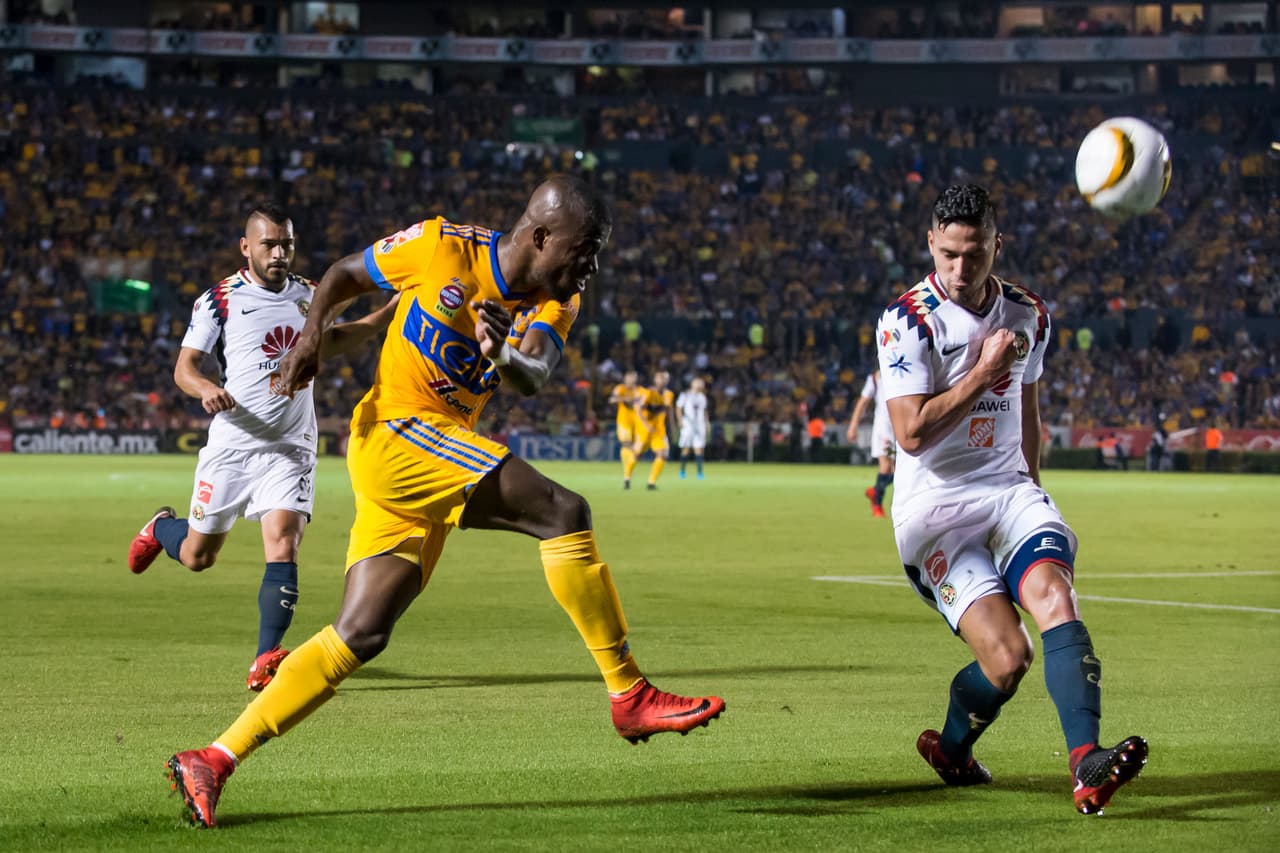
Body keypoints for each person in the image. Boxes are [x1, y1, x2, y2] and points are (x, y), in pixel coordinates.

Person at [164, 177, 725, 828]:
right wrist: (314, 336)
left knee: (361, 633)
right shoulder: (441, 245)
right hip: (397, 431)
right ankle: (629, 691)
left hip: (429, 451)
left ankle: (213, 757)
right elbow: (346, 274)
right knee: (563, 512)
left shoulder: (557, 298)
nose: (591, 265)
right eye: (585, 248)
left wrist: (504, 352)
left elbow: (534, 373)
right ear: (541, 235)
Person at [875, 184, 1146, 817]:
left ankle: (1086, 763)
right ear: (931, 245)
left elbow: (1026, 406)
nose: (961, 271)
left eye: (974, 255)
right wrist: (980, 373)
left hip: (1008, 490)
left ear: (997, 245)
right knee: (1008, 659)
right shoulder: (907, 321)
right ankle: (950, 750)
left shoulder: (1029, 314)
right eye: (948, 256)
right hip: (936, 514)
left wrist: (1034, 487)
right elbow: (910, 433)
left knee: (1054, 592)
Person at [126, 203, 398, 691]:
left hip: (291, 446)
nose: (279, 253)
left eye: (287, 244)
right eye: (269, 244)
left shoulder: (312, 295)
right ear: (246, 247)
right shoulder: (219, 301)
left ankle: (265, 657)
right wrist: (205, 387)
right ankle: (161, 527)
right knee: (196, 556)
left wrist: (383, 318)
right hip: (233, 446)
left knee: (284, 542)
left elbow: (326, 342)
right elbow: (185, 367)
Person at [845, 368, 895, 518]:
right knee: (886, 467)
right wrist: (853, 425)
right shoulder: (875, 378)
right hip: (884, 430)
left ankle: (875, 491)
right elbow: (863, 402)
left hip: (899, 428)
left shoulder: (903, 372)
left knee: (898, 472)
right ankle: (877, 505)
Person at [625, 370, 674, 491]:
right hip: (644, 431)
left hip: (659, 431)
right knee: (637, 455)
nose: (662, 380)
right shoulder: (649, 393)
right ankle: (627, 478)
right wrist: (647, 425)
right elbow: (639, 410)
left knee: (662, 455)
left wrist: (673, 426)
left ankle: (651, 482)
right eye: (659, 378)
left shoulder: (669, 394)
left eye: (664, 378)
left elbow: (669, 411)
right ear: (655, 380)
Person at [609, 370, 642, 487]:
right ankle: (626, 475)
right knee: (627, 444)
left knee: (637, 453)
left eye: (633, 378)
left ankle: (627, 477)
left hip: (638, 424)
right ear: (625, 378)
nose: (631, 380)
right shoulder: (620, 389)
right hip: (624, 423)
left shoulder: (639, 391)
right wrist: (624, 399)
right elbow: (612, 399)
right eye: (629, 378)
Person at [676, 377, 710, 480]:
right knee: (686, 448)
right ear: (692, 384)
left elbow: (704, 411)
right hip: (688, 424)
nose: (699, 384)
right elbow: (678, 408)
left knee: (699, 448)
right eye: (697, 382)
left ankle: (700, 473)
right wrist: (680, 421)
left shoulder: (702, 397)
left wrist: (707, 423)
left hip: (699, 425)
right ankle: (682, 471)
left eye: (701, 383)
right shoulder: (685, 395)